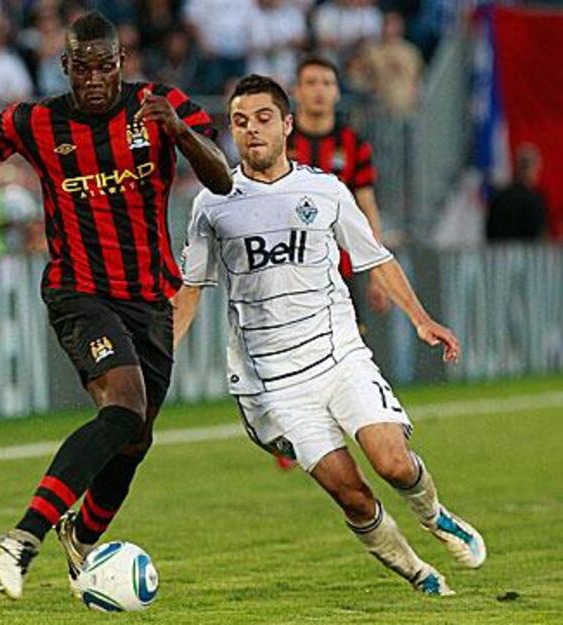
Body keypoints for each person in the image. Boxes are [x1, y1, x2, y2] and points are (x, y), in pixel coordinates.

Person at [0, 10, 232, 600]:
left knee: (134, 437)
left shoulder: (161, 103)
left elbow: (222, 180)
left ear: (121, 64)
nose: (95, 79)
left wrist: (181, 134)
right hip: (78, 291)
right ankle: (22, 537)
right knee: (125, 407)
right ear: (67, 68)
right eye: (83, 69)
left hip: (151, 297)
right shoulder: (38, 121)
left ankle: (80, 537)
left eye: (105, 67)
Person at [173, 74, 485, 596]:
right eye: (240, 122)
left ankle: (435, 515)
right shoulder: (213, 204)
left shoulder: (324, 189)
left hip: (339, 355)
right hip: (273, 384)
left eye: (264, 118)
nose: (252, 131)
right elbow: (191, 287)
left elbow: (374, 258)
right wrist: (162, 354)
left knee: (392, 461)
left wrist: (421, 318)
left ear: (287, 124)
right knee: (354, 496)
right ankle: (417, 572)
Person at [288, 56, 389, 316]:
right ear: (297, 91)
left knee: (348, 354)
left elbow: (367, 208)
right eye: (311, 83)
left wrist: (378, 276)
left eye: (327, 83)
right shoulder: (279, 142)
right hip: (286, 271)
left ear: (336, 92)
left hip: (340, 272)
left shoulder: (354, 144)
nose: (319, 89)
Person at [486, 144, 547, 241]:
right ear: (531, 169)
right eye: (537, 168)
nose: (538, 172)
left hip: (500, 254)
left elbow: (489, 235)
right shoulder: (536, 200)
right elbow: (540, 237)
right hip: (528, 254)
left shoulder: (498, 198)